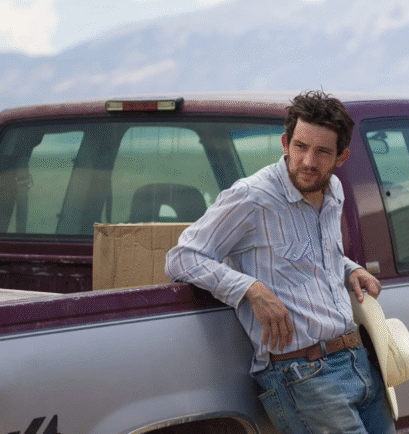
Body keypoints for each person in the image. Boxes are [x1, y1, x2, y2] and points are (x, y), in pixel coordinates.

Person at [165, 90, 396, 433]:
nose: (308, 161)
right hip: (303, 375)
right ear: (286, 142)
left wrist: (350, 269)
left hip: (357, 361)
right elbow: (182, 257)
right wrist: (250, 289)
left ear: (341, 157)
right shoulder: (252, 196)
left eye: (322, 152)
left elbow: (314, 254)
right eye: (300, 147)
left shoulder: (334, 192)